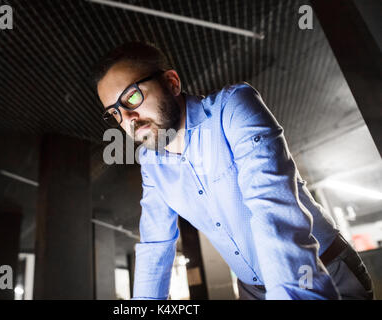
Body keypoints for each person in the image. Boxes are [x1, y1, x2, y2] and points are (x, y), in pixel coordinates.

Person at [93, 41, 373, 300]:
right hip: (252, 290)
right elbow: (155, 245)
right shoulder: (152, 164)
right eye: (115, 113)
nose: (127, 119)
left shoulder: (233, 108)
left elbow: (272, 210)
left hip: (319, 271)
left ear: (171, 82)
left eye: (131, 98)